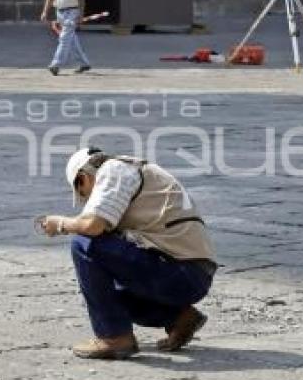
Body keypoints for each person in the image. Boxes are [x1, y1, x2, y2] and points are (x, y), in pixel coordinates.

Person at [40, 147, 217, 360]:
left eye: (83, 193)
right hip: (190, 272)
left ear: (83, 178)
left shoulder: (114, 170)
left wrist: (59, 223)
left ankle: (114, 338)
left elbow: (92, 227)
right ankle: (180, 317)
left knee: (84, 243)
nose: (87, 201)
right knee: (109, 293)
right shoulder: (132, 171)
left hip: (181, 271)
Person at [40, 0, 91, 76]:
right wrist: (45, 12)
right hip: (60, 12)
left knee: (64, 38)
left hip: (72, 11)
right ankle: (84, 63)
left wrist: (80, 14)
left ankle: (55, 64)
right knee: (71, 39)